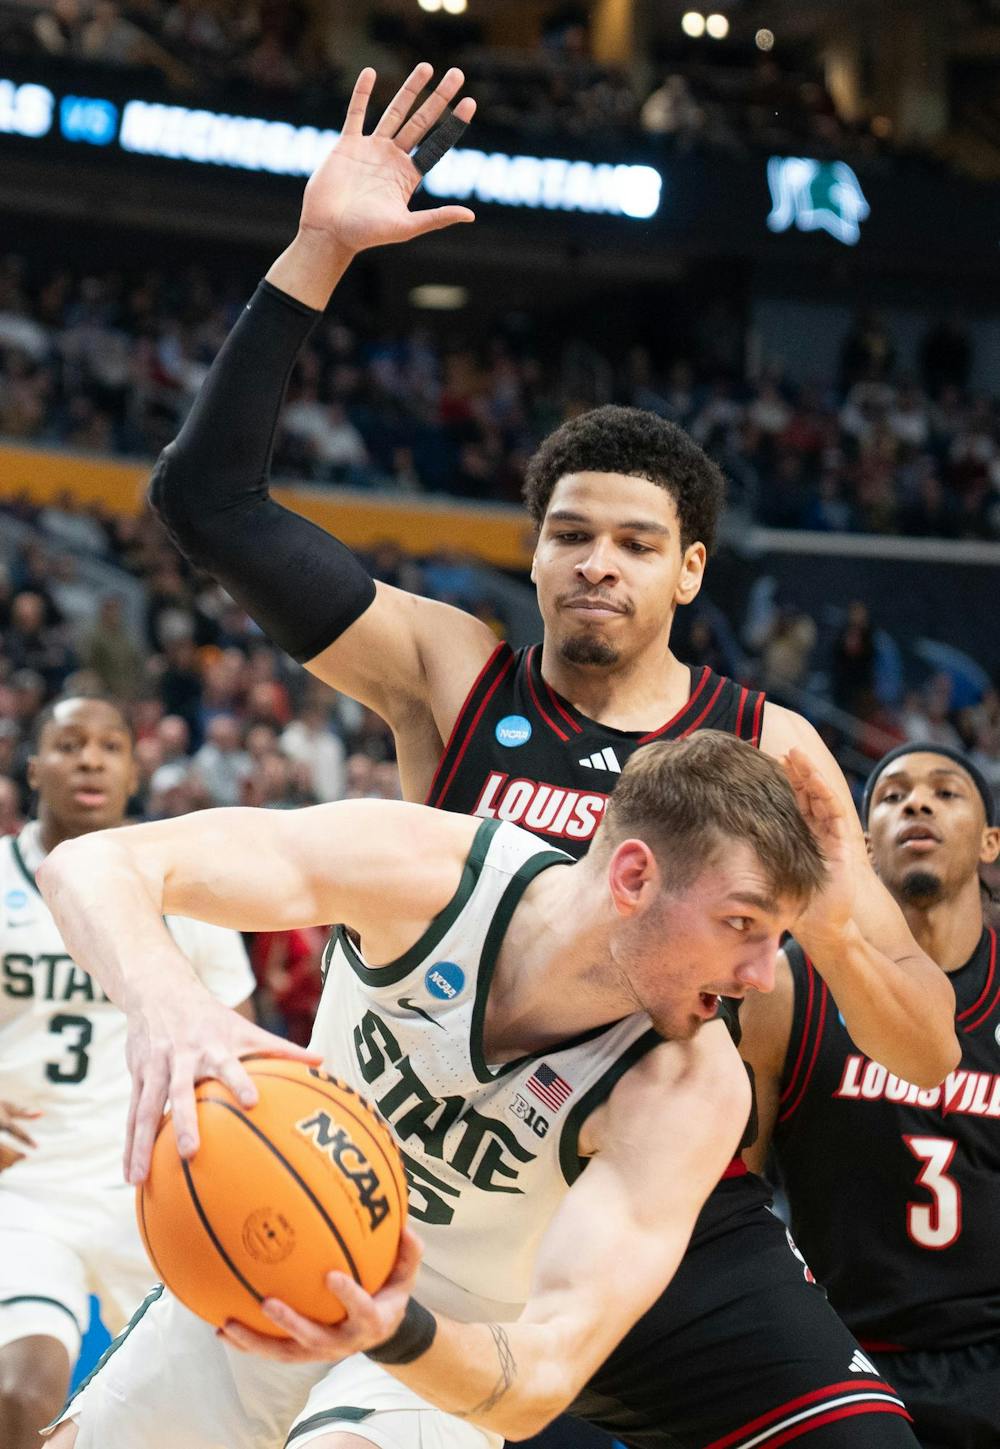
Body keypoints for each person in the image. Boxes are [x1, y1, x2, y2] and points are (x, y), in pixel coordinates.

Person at [147, 62, 954, 1447]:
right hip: (441, 1184)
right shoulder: (450, 671)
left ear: (689, 571)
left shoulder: (769, 747)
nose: (596, 564)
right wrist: (319, 248)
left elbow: (924, 1049)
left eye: (636, 543)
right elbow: (207, 501)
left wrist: (822, 910)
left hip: (659, 1201)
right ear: (532, 553)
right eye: (569, 534)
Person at [43, 731, 842, 1449]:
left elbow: (544, 1374)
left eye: (778, 939)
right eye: (742, 924)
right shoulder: (430, 874)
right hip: (267, 1245)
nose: (761, 975)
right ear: (634, 876)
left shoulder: (690, 1086)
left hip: (442, 1345)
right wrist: (171, 1007)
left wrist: (393, 1327)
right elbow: (90, 864)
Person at [0, 696, 258, 1449]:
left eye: (110, 746)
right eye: (69, 744)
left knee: (214, 1419)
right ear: (33, 767)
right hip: (24, 1186)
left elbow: (239, 1041)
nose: (90, 759)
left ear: (133, 770)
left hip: (152, 1185)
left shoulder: (179, 885)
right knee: (20, 1392)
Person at [743, 743, 1000, 1449]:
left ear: (990, 842)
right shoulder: (787, 987)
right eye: (891, 796)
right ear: (859, 847)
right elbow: (732, 1190)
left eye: (945, 791)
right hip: (841, 1354)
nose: (916, 803)